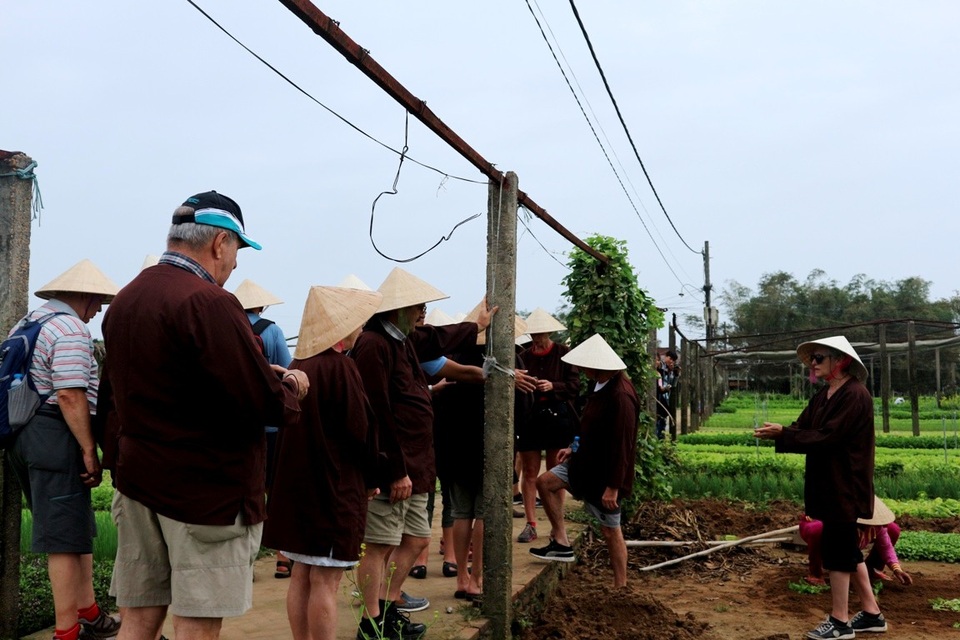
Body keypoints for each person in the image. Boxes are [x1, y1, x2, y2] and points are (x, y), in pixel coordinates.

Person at [101, 190, 309, 640]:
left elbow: (114, 395)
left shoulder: (126, 299)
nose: (234, 265)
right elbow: (260, 401)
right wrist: (289, 386)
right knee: (196, 619)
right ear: (220, 243)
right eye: (236, 251)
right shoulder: (209, 302)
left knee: (137, 617)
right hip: (203, 494)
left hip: (138, 482)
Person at [350, 267, 490, 640]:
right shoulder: (374, 345)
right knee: (379, 544)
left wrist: (475, 324)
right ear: (398, 309)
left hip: (417, 461)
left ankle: (389, 605)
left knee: (415, 539)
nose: (422, 313)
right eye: (417, 307)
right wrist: (393, 469)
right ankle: (372, 621)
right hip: (393, 465)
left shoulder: (403, 339)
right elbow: (376, 412)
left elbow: (437, 336)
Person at [6, 259, 122, 640]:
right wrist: (89, 449)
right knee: (61, 539)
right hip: (55, 434)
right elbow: (70, 394)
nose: (100, 309)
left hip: (26, 435)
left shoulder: (31, 321)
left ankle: (87, 611)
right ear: (85, 295)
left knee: (74, 529)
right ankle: (66, 631)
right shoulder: (70, 328)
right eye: (99, 300)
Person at [262, 285, 382, 640]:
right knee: (325, 581)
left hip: (297, 490)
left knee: (302, 574)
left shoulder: (297, 366)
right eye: (355, 322)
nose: (359, 328)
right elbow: (360, 431)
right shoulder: (341, 367)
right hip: (332, 489)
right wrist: (372, 476)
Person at [754, 335, 886, 640]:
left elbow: (829, 437)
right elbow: (804, 428)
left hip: (845, 484)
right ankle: (872, 613)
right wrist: (782, 432)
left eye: (818, 358)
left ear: (840, 360)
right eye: (812, 359)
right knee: (848, 551)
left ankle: (840, 622)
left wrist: (786, 435)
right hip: (827, 482)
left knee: (838, 553)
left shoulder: (855, 395)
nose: (812, 364)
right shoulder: (824, 395)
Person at [530, 334, 639, 588]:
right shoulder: (599, 386)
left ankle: (620, 586)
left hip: (604, 473)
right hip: (583, 462)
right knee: (544, 483)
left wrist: (613, 486)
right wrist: (572, 447)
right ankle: (561, 542)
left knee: (611, 530)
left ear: (596, 366)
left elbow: (623, 445)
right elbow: (588, 426)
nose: (580, 369)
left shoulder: (620, 396)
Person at [233, 278, 295, 579]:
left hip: (238, 426)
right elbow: (287, 371)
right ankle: (283, 559)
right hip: (270, 428)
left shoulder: (228, 327)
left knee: (247, 492)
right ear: (262, 304)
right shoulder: (271, 330)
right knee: (277, 490)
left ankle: (245, 561)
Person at [516, 308, 580, 543]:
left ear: (550, 332)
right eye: (533, 334)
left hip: (557, 417)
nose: (537, 339)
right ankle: (531, 523)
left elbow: (574, 386)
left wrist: (553, 386)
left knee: (555, 472)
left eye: (541, 334)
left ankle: (556, 524)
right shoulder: (524, 356)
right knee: (530, 471)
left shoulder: (564, 354)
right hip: (530, 417)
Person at [800, 496, 913, 587]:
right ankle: (815, 573)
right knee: (817, 530)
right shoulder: (844, 521)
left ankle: (872, 568)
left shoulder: (877, 527)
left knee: (892, 529)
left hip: (849, 543)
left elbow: (886, 546)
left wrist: (897, 569)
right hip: (824, 530)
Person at [656, 350, 678, 440]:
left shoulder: (671, 371)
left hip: (665, 401)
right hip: (658, 399)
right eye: (671, 359)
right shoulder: (660, 367)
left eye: (673, 360)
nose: (672, 361)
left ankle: (661, 441)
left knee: (662, 423)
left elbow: (673, 385)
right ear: (666, 357)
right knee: (657, 423)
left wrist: (675, 374)